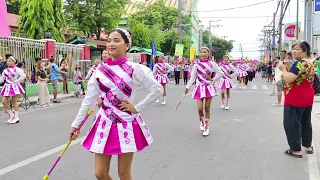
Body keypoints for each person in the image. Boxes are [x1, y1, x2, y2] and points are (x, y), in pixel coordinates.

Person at [69, 28, 163, 180]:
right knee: (100, 173)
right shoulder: (99, 70)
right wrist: (76, 124)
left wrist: (137, 108)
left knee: (123, 173)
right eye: (109, 41)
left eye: (116, 40)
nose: (111, 44)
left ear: (127, 45)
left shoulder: (136, 69)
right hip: (104, 123)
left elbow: (157, 89)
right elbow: (89, 100)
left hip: (126, 123)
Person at [279, 41, 314, 158]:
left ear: (305, 51)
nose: (293, 51)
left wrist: (283, 69)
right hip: (307, 97)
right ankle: (308, 146)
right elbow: (299, 75)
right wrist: (289, 67)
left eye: (297, 49)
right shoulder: (311, 62)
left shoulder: (301, 63)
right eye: (293, 49)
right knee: (305, 122)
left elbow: (289, 79)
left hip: (295, 98)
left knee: (292, 124)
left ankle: (296, 149)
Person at [185, 47, 223, 136]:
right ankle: (202, 122)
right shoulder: (196, 65)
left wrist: (213, 79)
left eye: (205, 52)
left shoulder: (212, 64)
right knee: (199, 108)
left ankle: (206, 126)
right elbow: (193, 77)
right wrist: (187, 87)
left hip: (209, 87)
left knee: (207, 108)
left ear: (208, 53)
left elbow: (221, 73)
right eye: (201, 52)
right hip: (199, 87)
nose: (203, 54)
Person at [0, 56, 26, 124]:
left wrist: (16, 81)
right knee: (3, 101)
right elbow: (2, 79)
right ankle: (11, 115)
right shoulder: (5, 70)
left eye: (10, 61)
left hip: (14, 87)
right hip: (7, 87)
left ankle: (16, 117)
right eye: (7, 61)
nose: (8, 62)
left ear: (14, 62)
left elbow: (23, 76)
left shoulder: (17, 69)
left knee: (14, 101)